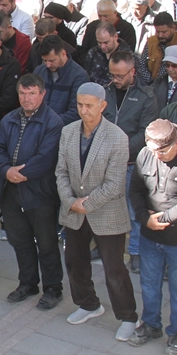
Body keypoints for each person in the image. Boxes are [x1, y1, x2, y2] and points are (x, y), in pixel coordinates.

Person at [56, 82, 136, 336]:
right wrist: (70, 201)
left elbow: (114, 183)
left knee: (114, 269)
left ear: (102, 106)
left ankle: (128, 317)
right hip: (74, 210)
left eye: (89, 105)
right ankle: (88, 304)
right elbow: (61, 171)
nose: (83, 110)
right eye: (79, 104)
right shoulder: (68, 132)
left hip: (106, 212)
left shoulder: (117, 137)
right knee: (74, 262)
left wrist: (86, 204)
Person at [128, 119, 177, 355]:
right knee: (149, 285)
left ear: (176, 143)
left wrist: (160, 220)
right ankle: (151, 324)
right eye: (152, 150)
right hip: (149, 235)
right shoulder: (145, 154)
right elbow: (136, 190)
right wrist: (144, 218)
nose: (157, 156)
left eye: (162, 151)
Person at [0, 74, 65, 308]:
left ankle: (53, 288)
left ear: (42, 94)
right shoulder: (9, 119)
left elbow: (46, 158)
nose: (26, 98)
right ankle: (28, 283)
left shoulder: (53, 123)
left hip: (40, 192)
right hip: (10, 190)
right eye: (22, 93)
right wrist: (5, 171)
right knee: (19, 240)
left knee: (46, 243)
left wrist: (17, 173)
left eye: (32, 93)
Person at [102, 50, 160, 271]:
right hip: (105, 160)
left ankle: (135, 251)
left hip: (131, 163)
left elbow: (146, 132)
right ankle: (103, 245)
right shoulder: (105, 91)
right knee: (106, 206)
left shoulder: (146, 96)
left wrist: (120, 150)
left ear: (132, 72)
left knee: (134, 211)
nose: (115, 80)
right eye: (112, 75)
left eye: (120, 76)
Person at [33, 35, 89, 126]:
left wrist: (48, 123)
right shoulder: (39, 71)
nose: (48, 65)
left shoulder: (79, 76)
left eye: (51, 60)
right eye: (44, 61)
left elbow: (75, 112)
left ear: (63, 53)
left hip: (62, 129)